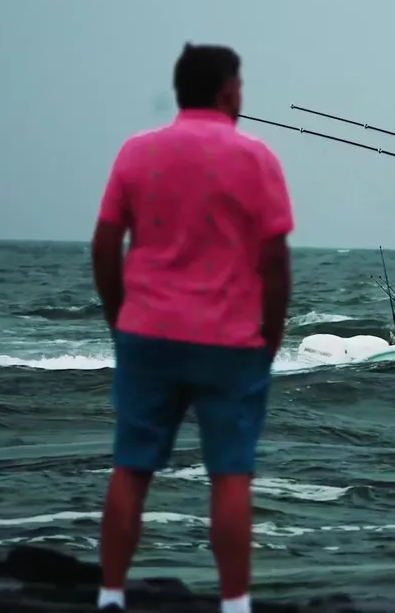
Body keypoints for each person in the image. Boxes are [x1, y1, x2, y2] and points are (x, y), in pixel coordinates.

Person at [90, 43, 293, 613]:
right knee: (230, 476)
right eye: (240, 85)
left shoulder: (137, 152)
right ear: (227, 91)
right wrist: (271, 337)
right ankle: (235, 604)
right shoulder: (256, 158)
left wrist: (120, 318)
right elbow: (275, 260)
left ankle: (110, 596)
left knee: (131, 468)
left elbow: (104, 245)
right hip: (230, 343)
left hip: (147, 335)